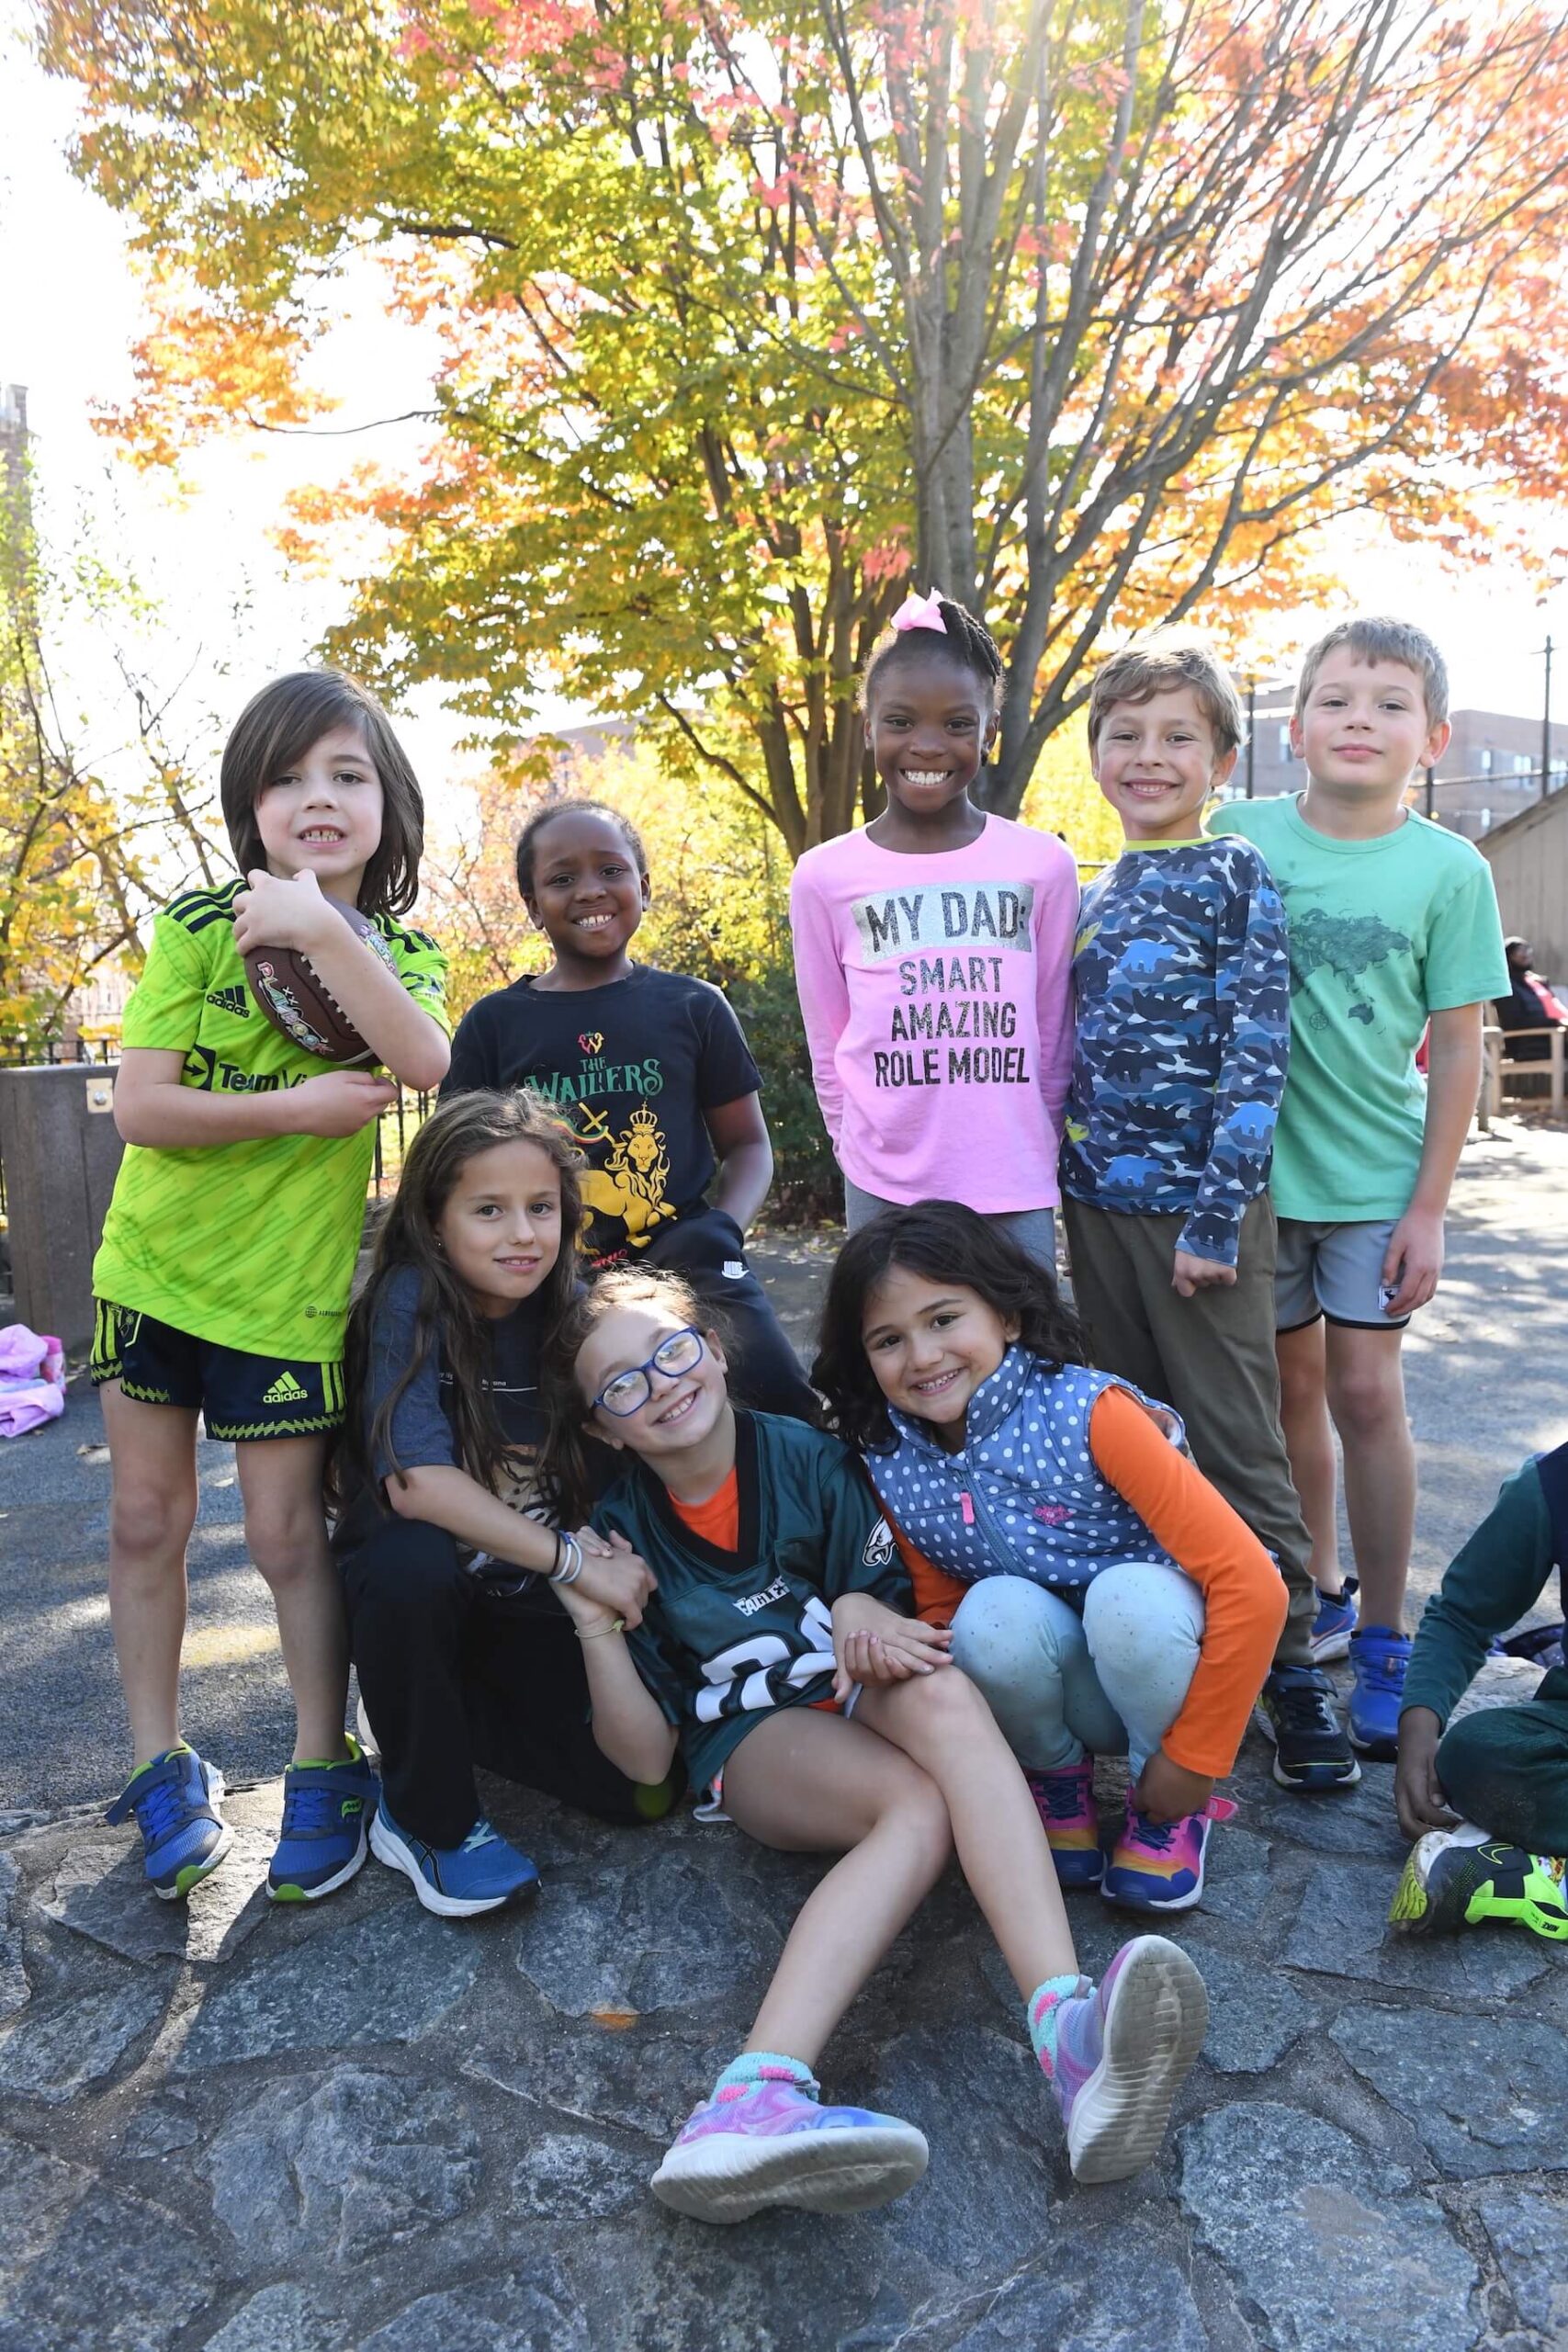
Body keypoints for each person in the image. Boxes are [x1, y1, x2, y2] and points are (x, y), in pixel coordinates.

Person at [540, 1267, 1209, 2220]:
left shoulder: (811, 1460)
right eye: (622, 1385)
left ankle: (1069, 2036)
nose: (659, 1384)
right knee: (919, 1807)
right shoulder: (621, 1532)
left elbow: (897, 1609)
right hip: (761, 1737)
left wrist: (859, 1600)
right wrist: (591, 1619)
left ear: (715, 1353)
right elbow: (645, 1760)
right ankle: (752, 2094)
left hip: (859, 1690)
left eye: (671, 1351)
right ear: (605, 1425)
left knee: (941, 1696)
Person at [93, 669, 451, 1902]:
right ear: (249, 806)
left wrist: (314, 931)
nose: (318, 798)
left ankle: (321, 1761)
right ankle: (157, 1764)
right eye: (289, 776)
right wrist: (296, 1109)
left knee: (290, 1536)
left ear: (386, 807)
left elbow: (422, 1056)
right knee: (148, 1522)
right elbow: (140, 1106)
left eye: (347, 776)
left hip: (286, 1301)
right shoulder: (196, 929)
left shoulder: (400, 951)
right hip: (155, 1276)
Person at [1061, 630, 1356, 1792]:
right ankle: (1174, 1652)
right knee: (1137, 1442)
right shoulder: (1087, 887)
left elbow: (1255, 1053)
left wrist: (1214, 1217)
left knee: (1236, 1441)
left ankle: (1290, 1670)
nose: (1149, 755)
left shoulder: (1234, 874)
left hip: (1205, 1221)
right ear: (1093, 753)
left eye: (1177, 735)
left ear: (1222, 759)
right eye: (1125, 734)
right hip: (1093, 1212)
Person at [1212, 617, 1508, 1756]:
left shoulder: (1448, 868)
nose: (1360, 721)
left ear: (1429, 738)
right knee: (1287, 1395)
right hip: (1252, 1186)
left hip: (1377, 1177)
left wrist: (1430, 1206)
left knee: (1366, 1393)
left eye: (1389, 705)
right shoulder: (1236, 835)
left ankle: (1390, 1632)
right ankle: (1315, 1590)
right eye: (1337, 700)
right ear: (1295, 729)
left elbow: (1460, 1046)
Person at [812, 1203, 1289, 1912]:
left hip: (1164, 1667)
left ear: (1006, 1316)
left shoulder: (1090, 1412)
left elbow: (1252, 1586)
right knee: (987, 1612)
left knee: (1128, 1595)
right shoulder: (890, 1459)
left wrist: (1193, 1758)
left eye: (944, 1320)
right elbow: (943, 1615)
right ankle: (1053, 1783)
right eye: (887, 1339)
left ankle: (1164, 1808)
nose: (921, 1357)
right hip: (1064, 1690)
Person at [333, 1091, 680, 1917]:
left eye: (541, 1208)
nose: (522, 1234)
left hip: (528, 1600)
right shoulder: (409, 1300)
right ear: (434, 1218)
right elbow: (413, 1482)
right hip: (432, 1592)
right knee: (407, 1557)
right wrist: (572, 1562)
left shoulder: (571, 1309)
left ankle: (449, 1719)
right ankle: (428, 1818)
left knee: (637, 1793)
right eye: (488, 1210)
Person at [442, 797, 816, 1420]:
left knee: (780, 1401)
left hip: (689, 1257)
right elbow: (456, 1170)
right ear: (533, 906)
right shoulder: (493, 1025)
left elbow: (748, 1145)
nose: (589, 890)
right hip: (553, 1272)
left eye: (610, 871)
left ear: (643, 887)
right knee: (577, 1430)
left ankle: (830, 1515)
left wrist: (723, 1228)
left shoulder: (694, 1006)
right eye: (561, 879)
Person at [789, 590, 1077, 1265]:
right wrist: (850, 1148)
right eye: (899, 721)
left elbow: (1053, 1028)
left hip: (1011, 1179)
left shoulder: (1043, 863)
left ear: (990, 731)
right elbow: (828, 1039)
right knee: (894, 1359)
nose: (925, 744)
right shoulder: (824, 875)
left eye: (955, 724)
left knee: (1026, 1356)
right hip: (883, 1182)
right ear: (867, 728)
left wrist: (1040, 1137)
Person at [1389, 1440, 1567, 1943]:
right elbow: (1463, 1616)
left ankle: (1539, 1874)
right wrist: (1418, 1730)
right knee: (1477, 1754)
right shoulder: (1552, 1484)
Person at [1495, 936, 1568, 1062]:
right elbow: (1513, 1021)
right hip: (1528, 1043)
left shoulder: (1538, 982)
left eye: (1527, 949)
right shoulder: (1506, 987)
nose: (1525, 954)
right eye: (1518, 951)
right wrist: (1554, 1022)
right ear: (1507, 956)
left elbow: (1555, 1008)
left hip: (1556, 1036)